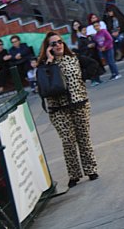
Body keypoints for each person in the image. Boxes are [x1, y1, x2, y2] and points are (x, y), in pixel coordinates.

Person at [38, 32, 98, 187]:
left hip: (79, 104)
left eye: (60, 42)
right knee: (68, 140)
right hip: (58, 109)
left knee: (83, 138)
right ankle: (74, 174)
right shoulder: (44, 66)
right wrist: (50, 61)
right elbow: (42, 84)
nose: (58, 45)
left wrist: (82, 77)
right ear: (48, 48)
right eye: (53, 44)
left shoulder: (74, 58)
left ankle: (91, 169)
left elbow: (94, 64)